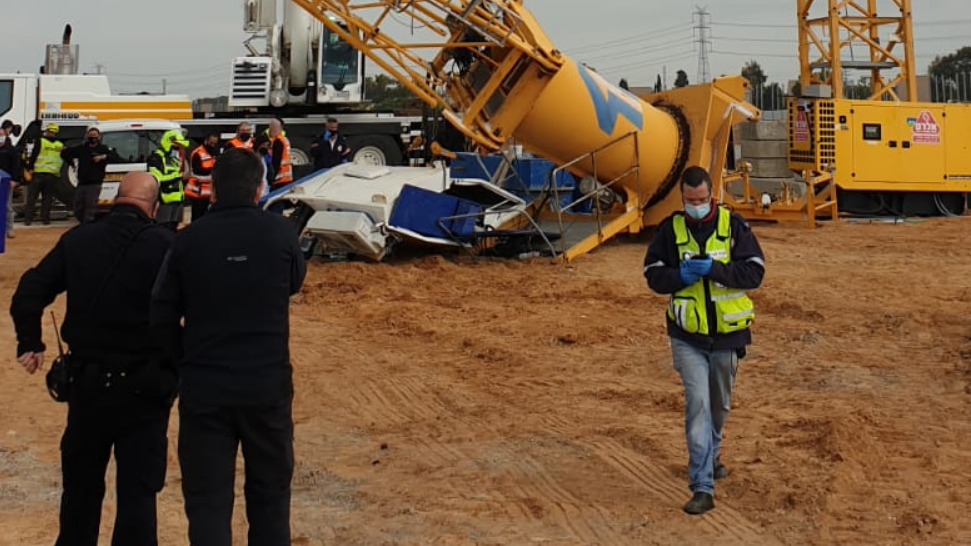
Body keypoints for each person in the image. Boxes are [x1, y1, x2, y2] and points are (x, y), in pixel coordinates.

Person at [10, 172, 177, 545]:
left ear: (116, 198)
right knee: (138, 494)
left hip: (87, 386)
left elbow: (28, 292)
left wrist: (31, 343)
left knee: (81, 493)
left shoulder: (79, 239)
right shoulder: (167, 246)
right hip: (146, 387)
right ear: (153, 208)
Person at [151, 147, 306, 545]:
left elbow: (162, 315)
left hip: (206, 391)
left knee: (207, 503)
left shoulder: (187, 242)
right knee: (271, 498)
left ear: (213, 190)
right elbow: (293, 282)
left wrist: (183, 361)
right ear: (259, 189)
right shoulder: (282, 234)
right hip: (267, 388)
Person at [642, 166, 765, 516]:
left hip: (727, 336)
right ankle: (702, 485)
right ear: (682, 198)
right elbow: (652, 275)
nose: (696, 205)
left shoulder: (734, 227)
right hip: (687, 337)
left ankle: (712, 453)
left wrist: (714, 270)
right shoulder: (670, 230)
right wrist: (678, 276)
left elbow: (755, 272)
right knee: (697, 405)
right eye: (689, 200)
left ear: (712, 195)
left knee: (719, 406)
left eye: (701, 200)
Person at [61, 126, 110, 223]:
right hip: (82, 183)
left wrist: (102, 157)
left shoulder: (103, 148)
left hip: (95, 183)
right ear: (87, 136)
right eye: (91, 135)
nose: (92, 138)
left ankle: (87, 226)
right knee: (77, 207)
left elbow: (114, 157)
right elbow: (66, 153)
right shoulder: (82, 148)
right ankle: (83, 222)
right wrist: (70, 162)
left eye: (95, 136)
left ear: (99, 137)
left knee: (90, 206)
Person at [147, 129, 190, 231]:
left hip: (177, 200)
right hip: (163, 201)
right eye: (176, 146)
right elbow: (158, 178)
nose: (178, 149)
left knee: (173, 230)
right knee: (162, 229)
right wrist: (179, 176)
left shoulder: (173, 159)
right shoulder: (156, 158)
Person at [23, 122, 65, 226]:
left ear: (47, 131)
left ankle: (28, 219)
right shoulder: (59, 144)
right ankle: (45, 219)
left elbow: (34, 155)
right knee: (47, 198)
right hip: (51, 175)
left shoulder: (41, 141)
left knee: (32, 197)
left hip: (38, 173)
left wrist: (29, 168)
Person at [184, 132, 220, 221]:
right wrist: (213, 169)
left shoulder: (214, 153)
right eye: (211, 143)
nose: (212, 145)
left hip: (208, 191)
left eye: (214, 144)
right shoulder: (197, 153)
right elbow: (198, 170)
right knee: (197, 215)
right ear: (206, 141)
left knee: (205, 216)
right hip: (197, 190)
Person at [0, 124, 22, 238]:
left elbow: (16, 165)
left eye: (2, 134)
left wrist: (15, 180)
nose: (0, 136)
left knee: (7, 206)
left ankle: (9, 229)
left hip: (6, 183)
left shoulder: (10, 149)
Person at [266, 118, 293, 190]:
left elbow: (276, 161)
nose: (270, 130)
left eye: (272, 127)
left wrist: (271, 178)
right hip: (287, 178)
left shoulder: (278, 141)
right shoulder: (285, 139)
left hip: (279, 179)